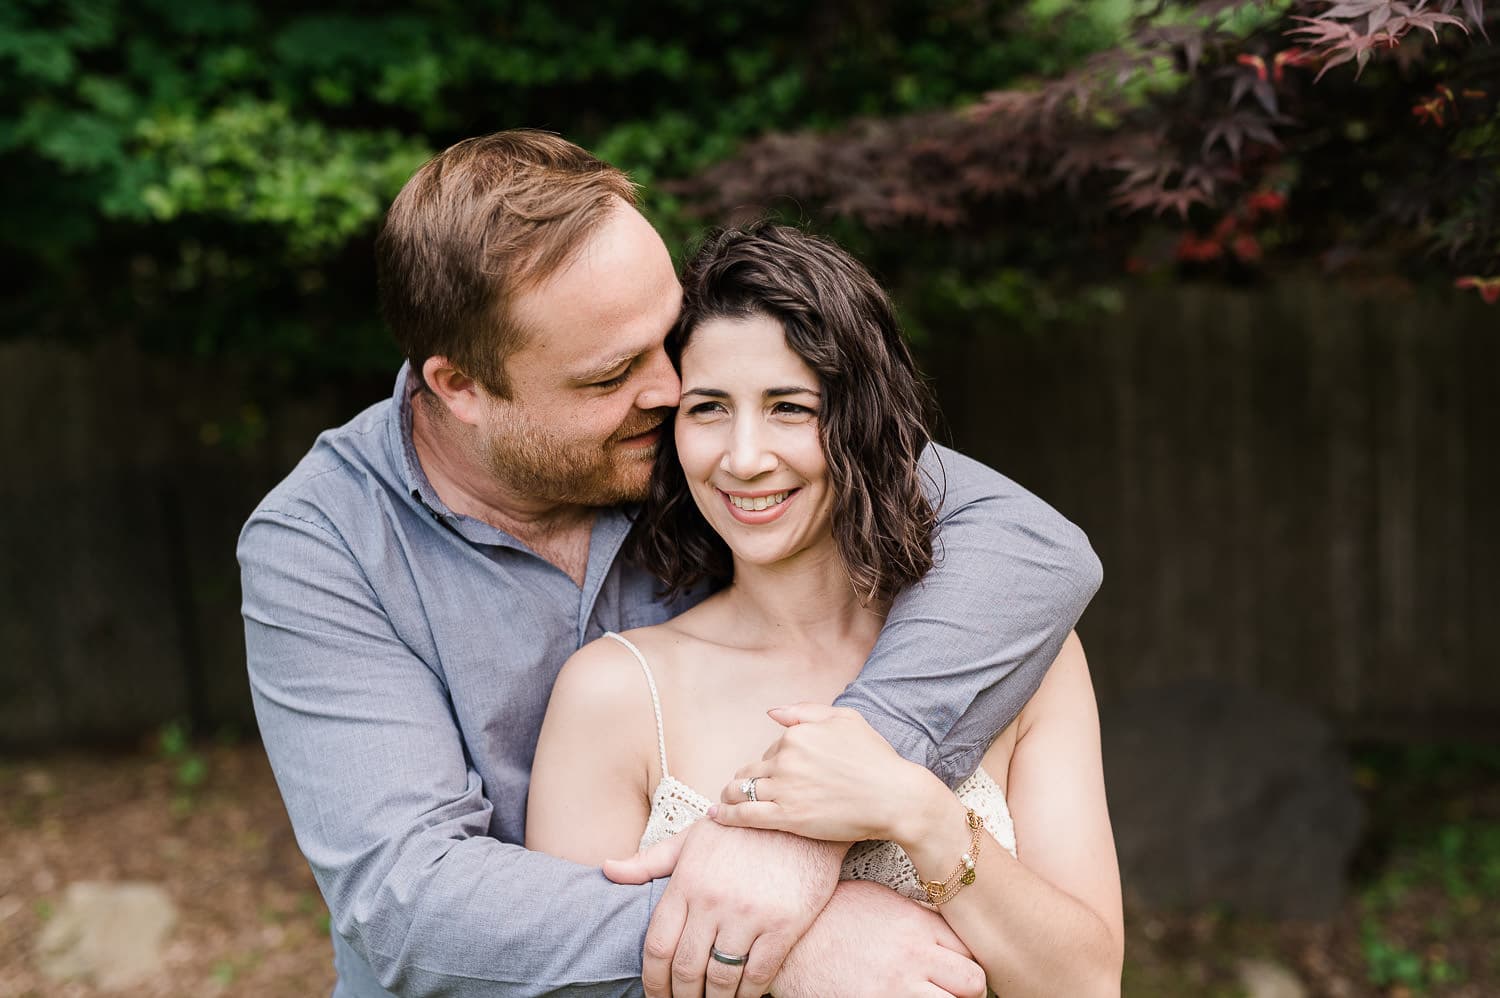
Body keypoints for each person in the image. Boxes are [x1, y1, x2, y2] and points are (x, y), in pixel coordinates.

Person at [238, 130, 1102, 998]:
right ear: (460, 387)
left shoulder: (706, 440)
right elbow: (405, 905)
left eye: (669, 335)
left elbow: (1026, 543)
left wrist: (836, 794)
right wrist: (781, 936)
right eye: (612, 373)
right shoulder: (324, 545)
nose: (668, 386)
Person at [525, 224, 1123, 997]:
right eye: (708, 408)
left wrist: (923, 815)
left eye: (788, 407)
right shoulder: (612, 693)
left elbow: (1089, 984)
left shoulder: (1023, 655)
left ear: (860, 420)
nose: (742, 458)